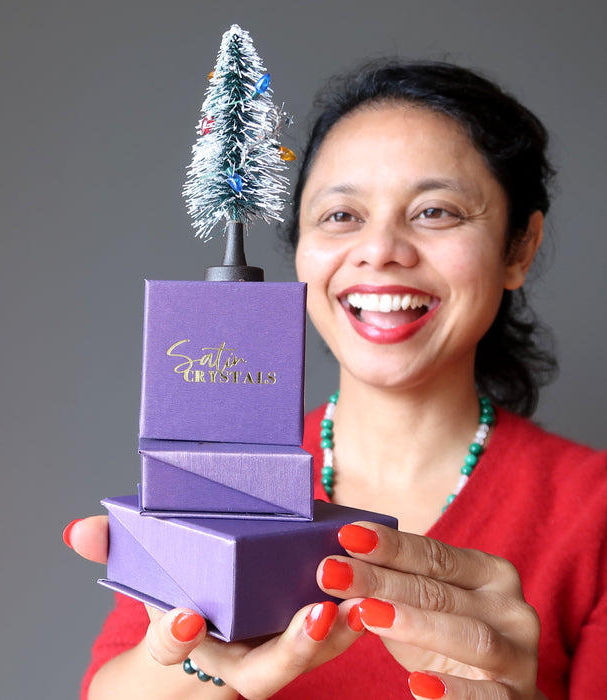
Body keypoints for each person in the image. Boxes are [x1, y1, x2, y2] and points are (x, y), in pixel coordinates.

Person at [64, 59, 607, 699]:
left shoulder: (593, 511)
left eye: (436, 211)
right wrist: (201, 662)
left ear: (520, 247)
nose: (380, 250)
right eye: (341, 215)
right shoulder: (216, 471)